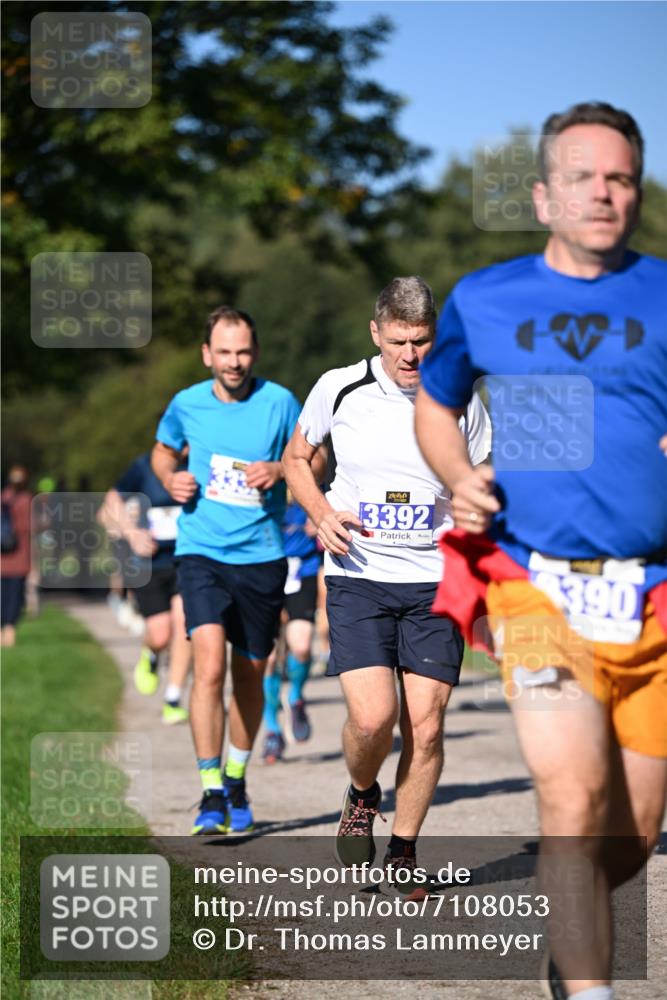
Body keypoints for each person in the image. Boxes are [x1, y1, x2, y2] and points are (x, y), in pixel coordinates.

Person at [415, 102, 667, 1000]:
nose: (603, 193)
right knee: (566, 800)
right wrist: (457, 473)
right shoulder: (485, 297)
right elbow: (437, 401)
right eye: (583, 178)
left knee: (629, 835)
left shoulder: (664, 293)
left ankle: (571, 944)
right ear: (542, 194)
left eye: (621, 178)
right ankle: (593, 988)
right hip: (533, 582)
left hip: (651, 595)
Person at [282, 277, 490, 892]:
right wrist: (320, 515)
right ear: (376, 332)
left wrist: (475, 508)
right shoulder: (338, 387)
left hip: (435, 580)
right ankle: (361, 792)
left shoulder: (461, 398)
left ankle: (403, 849)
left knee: (426, 724)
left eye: (421, 341)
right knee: (374, 720)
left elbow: (482, 476)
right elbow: (297, 459)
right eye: (398, 340)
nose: (409, 354)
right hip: (359, 577)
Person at [151, 305, 301, 834]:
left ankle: (237, 775)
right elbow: (162, 453)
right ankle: (210, 790)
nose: (234, 362)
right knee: (208, 664)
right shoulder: (186, 403)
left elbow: (316, 460)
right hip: (201, 550)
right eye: (224, 352)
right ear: (206, 354)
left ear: (253, 353)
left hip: (262, 554)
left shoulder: (280, 402)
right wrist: (170, 478)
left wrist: (281, 467)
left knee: (251, 674)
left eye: (242, 352)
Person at [98, 451, 191, 724]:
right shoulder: (142, 465)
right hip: (150, 563)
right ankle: (151, 651)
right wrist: (132, 533)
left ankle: (173, 698)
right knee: (161, 634)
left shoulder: (199, 460)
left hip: (187, 559)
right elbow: (111, 500)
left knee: (185, 623)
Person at [262, 496, 322, 763]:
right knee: (269, 657)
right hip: (265, 571)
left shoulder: (313, 482)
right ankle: (272, 730)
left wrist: (320, 522)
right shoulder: (261, 484)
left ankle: (296, 696)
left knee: (301, 645)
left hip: (302, 570)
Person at [1, 465, 33, 647]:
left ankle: (2, 632)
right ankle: (10, 631)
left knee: (2, 596)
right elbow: (29, 528)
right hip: (19, 558)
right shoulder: (27, 501)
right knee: (14, 596)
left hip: (2, 559)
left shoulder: (3, 498)